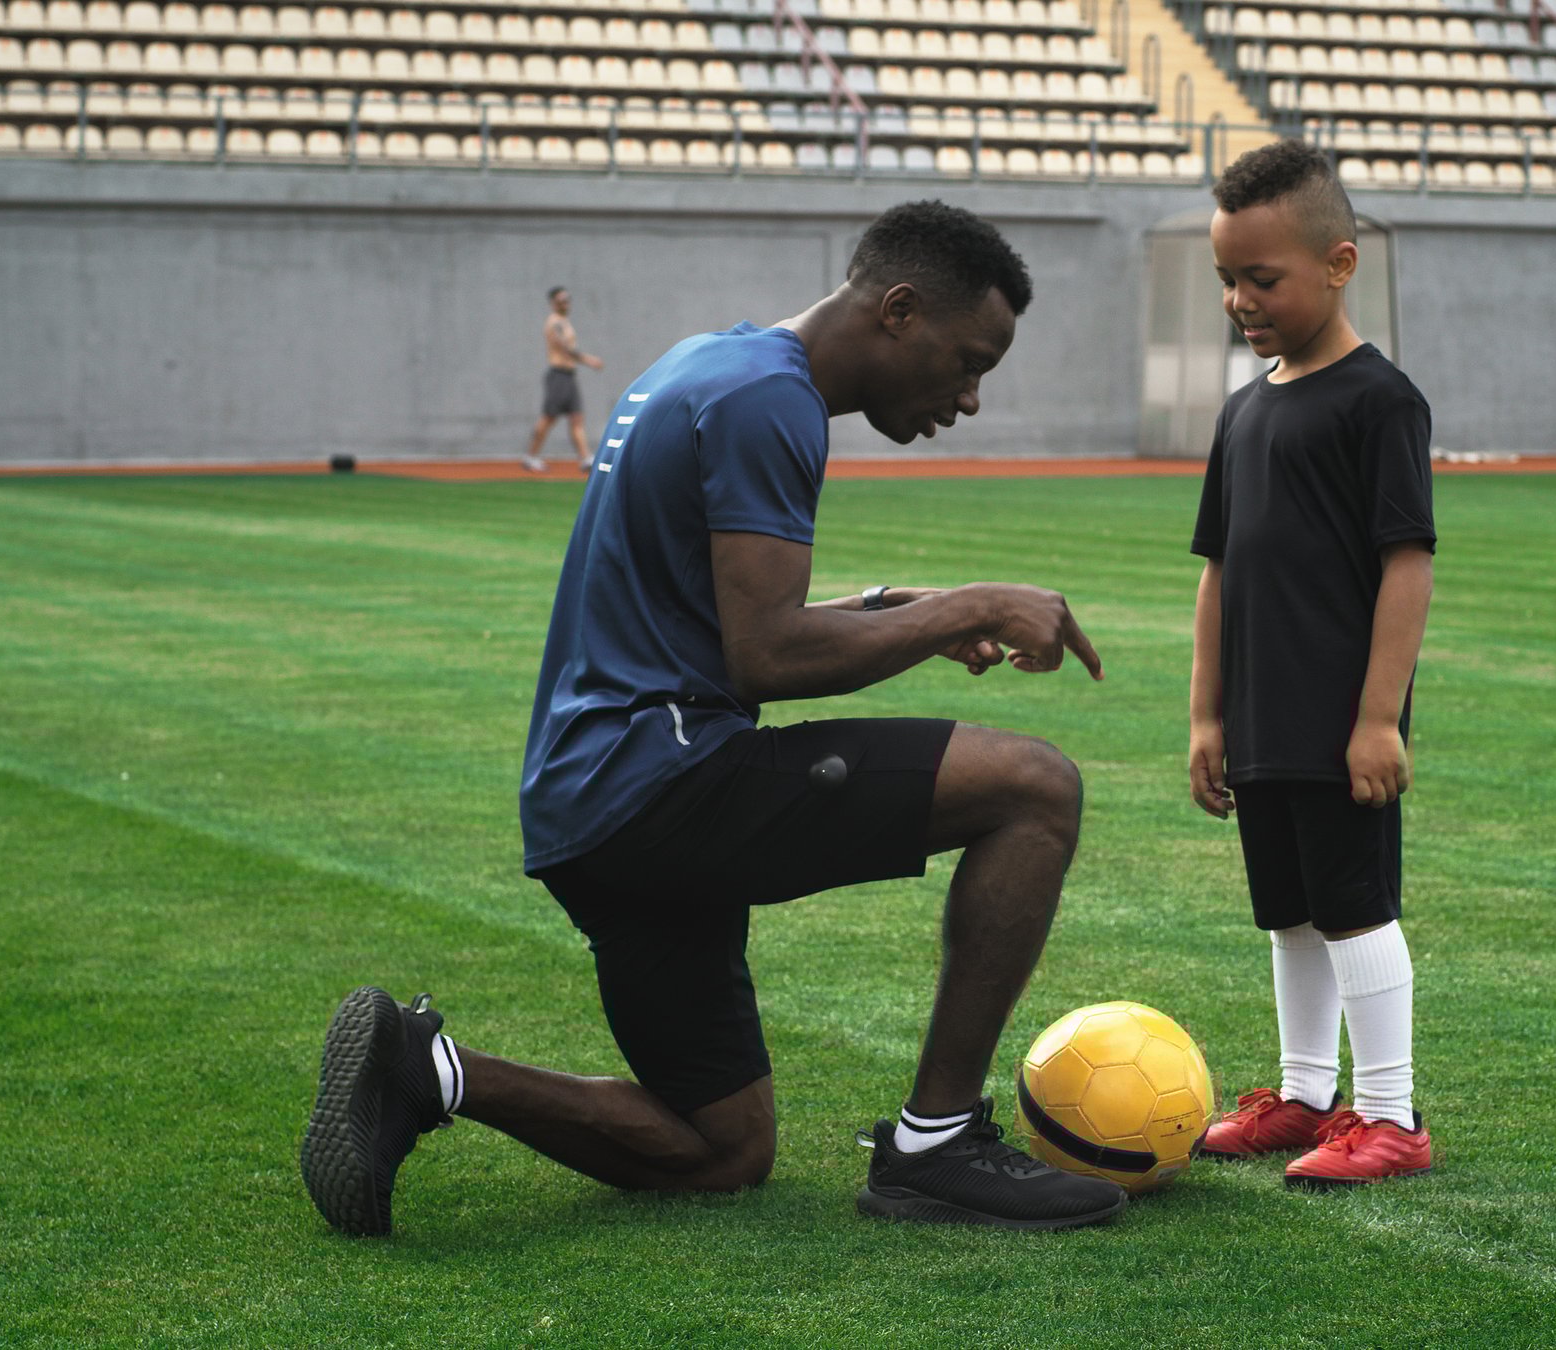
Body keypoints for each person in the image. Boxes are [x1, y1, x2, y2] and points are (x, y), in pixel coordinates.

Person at [301, 201, 1133, 1236]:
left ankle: (426, 1070)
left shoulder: (709, 366)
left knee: (723, 1149)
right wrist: (969, 607)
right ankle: (938, 1142)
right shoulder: (766, 405)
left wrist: (910, 611)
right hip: (661, 780)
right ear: (900, 309)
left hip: (592, 805)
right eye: (969, 362)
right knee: (1035, 788)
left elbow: (704, 615)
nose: (968, 398)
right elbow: (767, 653)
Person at [1183, 140, 1438, 1186]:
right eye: (1227, 280)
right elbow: (1219, 571)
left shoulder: (1380, 401)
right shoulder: (1244, 409)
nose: (1242, 299)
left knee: (1353, 903)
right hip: (1262, 716)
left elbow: (1406, 565)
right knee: (1287, 908)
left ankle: (1391, 1116)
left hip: (1340, 717)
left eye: (1263, 278)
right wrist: (1207, 717)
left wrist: (1378, 718)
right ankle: (1304, 1096)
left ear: (1339, 264)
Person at [523, 286, 605, 473]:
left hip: (569, 376)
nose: (565, 304)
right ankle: (531, 456)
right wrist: (589, 360)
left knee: (577, 418)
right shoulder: (554, 323)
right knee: (548, 418)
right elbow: (566, 349)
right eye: (560, 301)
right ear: (553, 303)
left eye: (567, 300)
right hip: (558, 375)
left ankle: (585, 458)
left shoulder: (564, 322)